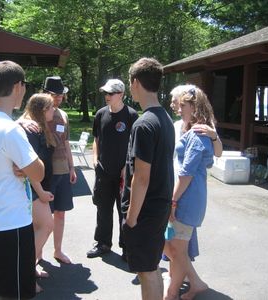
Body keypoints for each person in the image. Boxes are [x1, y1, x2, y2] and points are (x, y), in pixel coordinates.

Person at [0, 60, 44, 300]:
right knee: (15, 293)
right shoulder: (10, 129)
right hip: (12, 223)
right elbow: (39, 173)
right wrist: (29, 168)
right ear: (18, 86)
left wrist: (24, 167)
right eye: (24, 85)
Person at [121, 57, 175, 300]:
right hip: (159, 204)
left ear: (135, 83)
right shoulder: (164, 118)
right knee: (151, 268)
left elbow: (141, 178)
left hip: (145, 211)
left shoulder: (144, 124)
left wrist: (131, 219)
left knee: (147, 271)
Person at [163, 86, 215, 300]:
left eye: (182, 105)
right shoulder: (193, 130)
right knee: (172, 247)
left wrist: (173, 202)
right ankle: (195, 283)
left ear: (194, 107)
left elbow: (186, 174)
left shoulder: (198, 134)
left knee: (176, 250)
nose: (179, 108)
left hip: (187, 199)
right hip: (185, 196)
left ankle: (173, 292)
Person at [87, 79, 138, 260]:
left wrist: (127, 166)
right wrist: (94, 160)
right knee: (103, 209)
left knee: (124, 211)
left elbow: (135, 146)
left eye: (111, 93)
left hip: (124, 173)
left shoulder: (131, 115)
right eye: (105, 93)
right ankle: (103, 243)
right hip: (103, 171)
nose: (107, 96)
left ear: (121, 94)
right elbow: (96, 140)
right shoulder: (101, 114)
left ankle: (127, 247)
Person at [20, 93, 56, 292]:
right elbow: (29, 166)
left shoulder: (37, 126)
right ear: (42, 110)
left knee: (37, 228)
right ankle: (24, 274)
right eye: (50, 107)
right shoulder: (29, 129)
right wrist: (41, 192)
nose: (54, 111)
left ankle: (29, 268)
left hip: (39, 188)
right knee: (46, 225)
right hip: (33, 189)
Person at [43, 76, 77, 264]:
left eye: (61, 94)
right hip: (46, 172)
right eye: (55, 95)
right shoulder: (37, 115)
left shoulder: (63, 115)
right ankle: (38, 253)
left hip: (63, 170)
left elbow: (66, 143)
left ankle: (58, 250)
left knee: (61, 212)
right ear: (46, 94)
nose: (59, 98)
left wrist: (72, 167)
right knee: (42, 217)